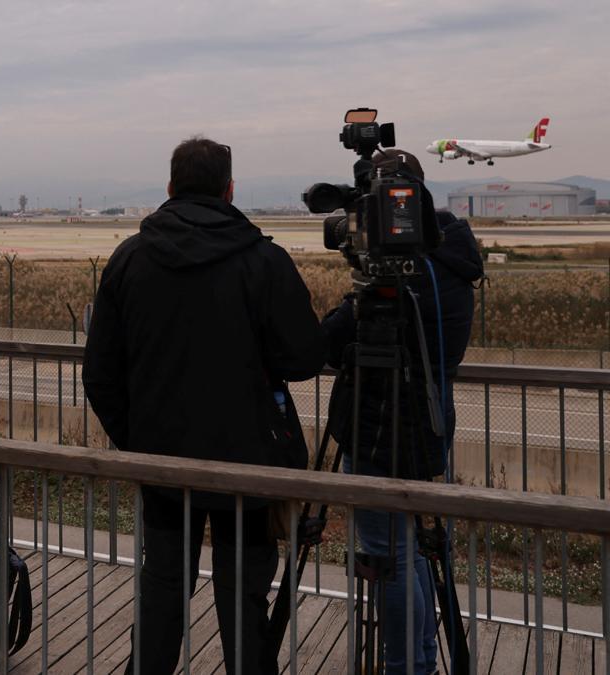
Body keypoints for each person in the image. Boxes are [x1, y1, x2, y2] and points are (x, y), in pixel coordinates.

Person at [83, 137, 325, 674]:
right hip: (249, 466)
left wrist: (138, 438)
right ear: (230, 189)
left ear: (170, 187)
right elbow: (305, 356)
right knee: (244, 599)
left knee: (162, 590)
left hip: (163, 463)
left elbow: (99, 374)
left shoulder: (130, 258)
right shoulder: (264, 260)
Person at [321, 149, 483, 674]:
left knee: (388, 555)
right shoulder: (453, 260)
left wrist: (353, 303)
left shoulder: (412, 275)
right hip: (432, 420)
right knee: (414, 550)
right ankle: (423, 660)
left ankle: (403, 665)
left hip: (380, 428)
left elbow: (329, 343)